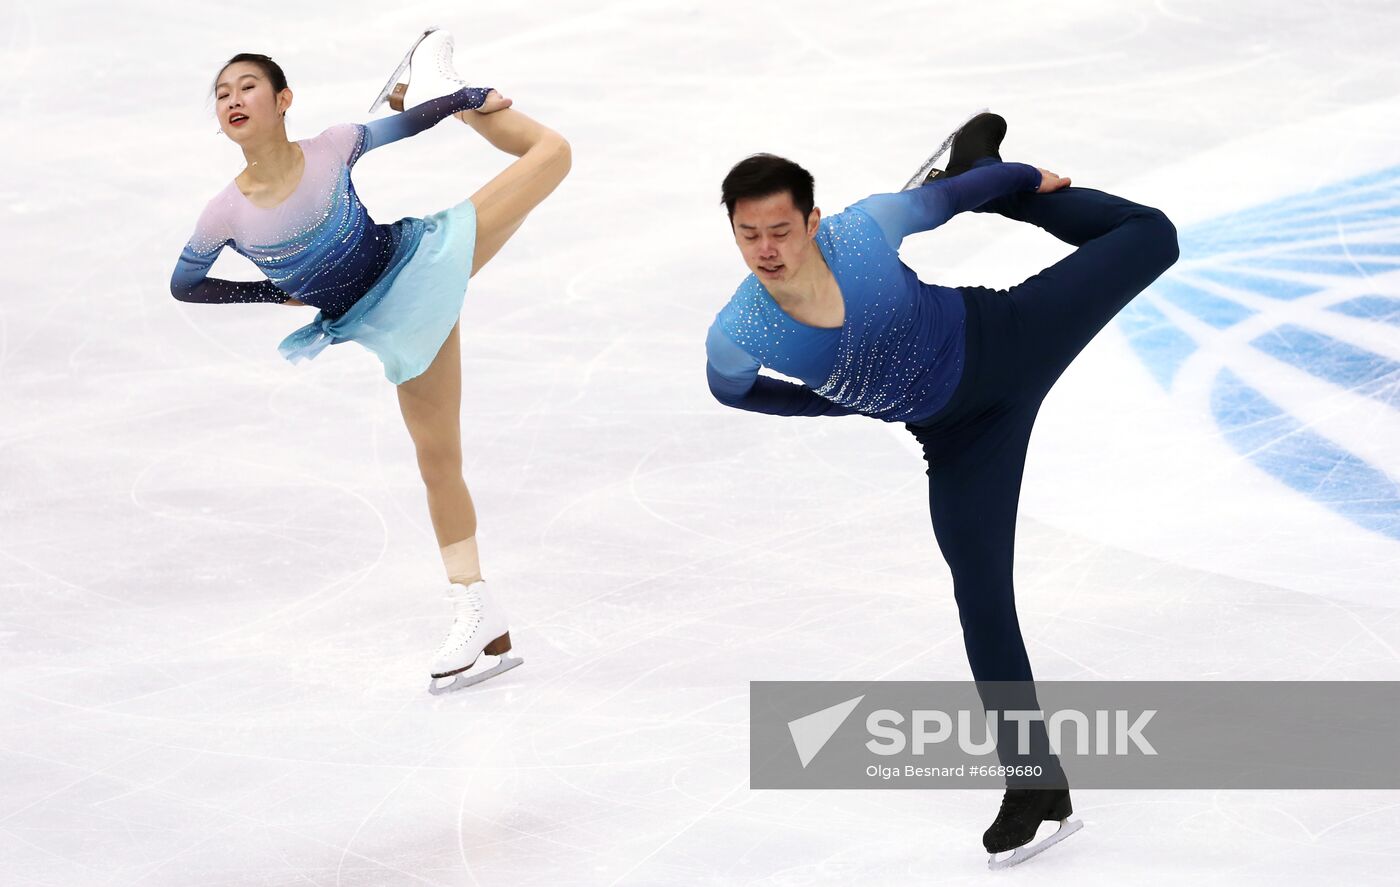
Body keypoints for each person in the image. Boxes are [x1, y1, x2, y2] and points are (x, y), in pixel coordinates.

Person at [704, 113, 1178, 865]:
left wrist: (1016, 179)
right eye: (749, 233)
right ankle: (1035, 782)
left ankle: (990, 168)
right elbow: (731, 390)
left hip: (1008, 335)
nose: (767, 249)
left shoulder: (863, 231)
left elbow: (955, 199)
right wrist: (835, 400)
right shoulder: (741, 331)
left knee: (1154, 236)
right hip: (959, 441)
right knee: (982, 596)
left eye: (782, 229)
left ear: (812, 221)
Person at [170, 29, 572, 694]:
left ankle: (473, 606)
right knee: (439, 461)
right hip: (387, 321)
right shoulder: (225, 213)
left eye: (247, 86)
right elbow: (186, 283)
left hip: (419, 260)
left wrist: (463, 99)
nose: (233, 99)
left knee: (552, 153)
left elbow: (403, 126)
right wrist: (273, 292)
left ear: (282, 100)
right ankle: (481, 614)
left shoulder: (331, 146)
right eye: (222, 94)